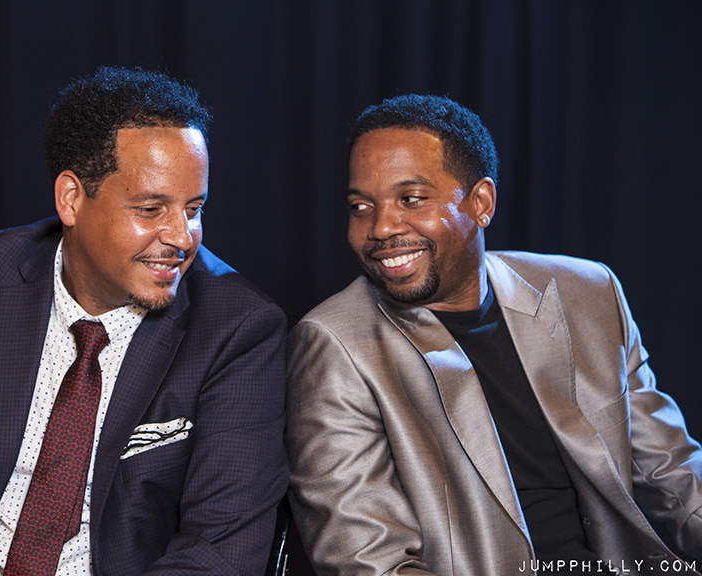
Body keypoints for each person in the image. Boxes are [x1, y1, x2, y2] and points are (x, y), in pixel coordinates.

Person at [0, 66, 288, 576]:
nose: (182, 237)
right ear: (71, 198)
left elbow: (218, 550)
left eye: (194, 208)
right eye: (151, 209)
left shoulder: (237, 328)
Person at [285, 94, 702, 576]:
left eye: (411, 199)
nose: (380, 227)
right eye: (361, 206)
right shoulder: (333, 343)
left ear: (481, 203)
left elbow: (672, 474)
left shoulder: (587, 292)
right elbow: (369, 560)